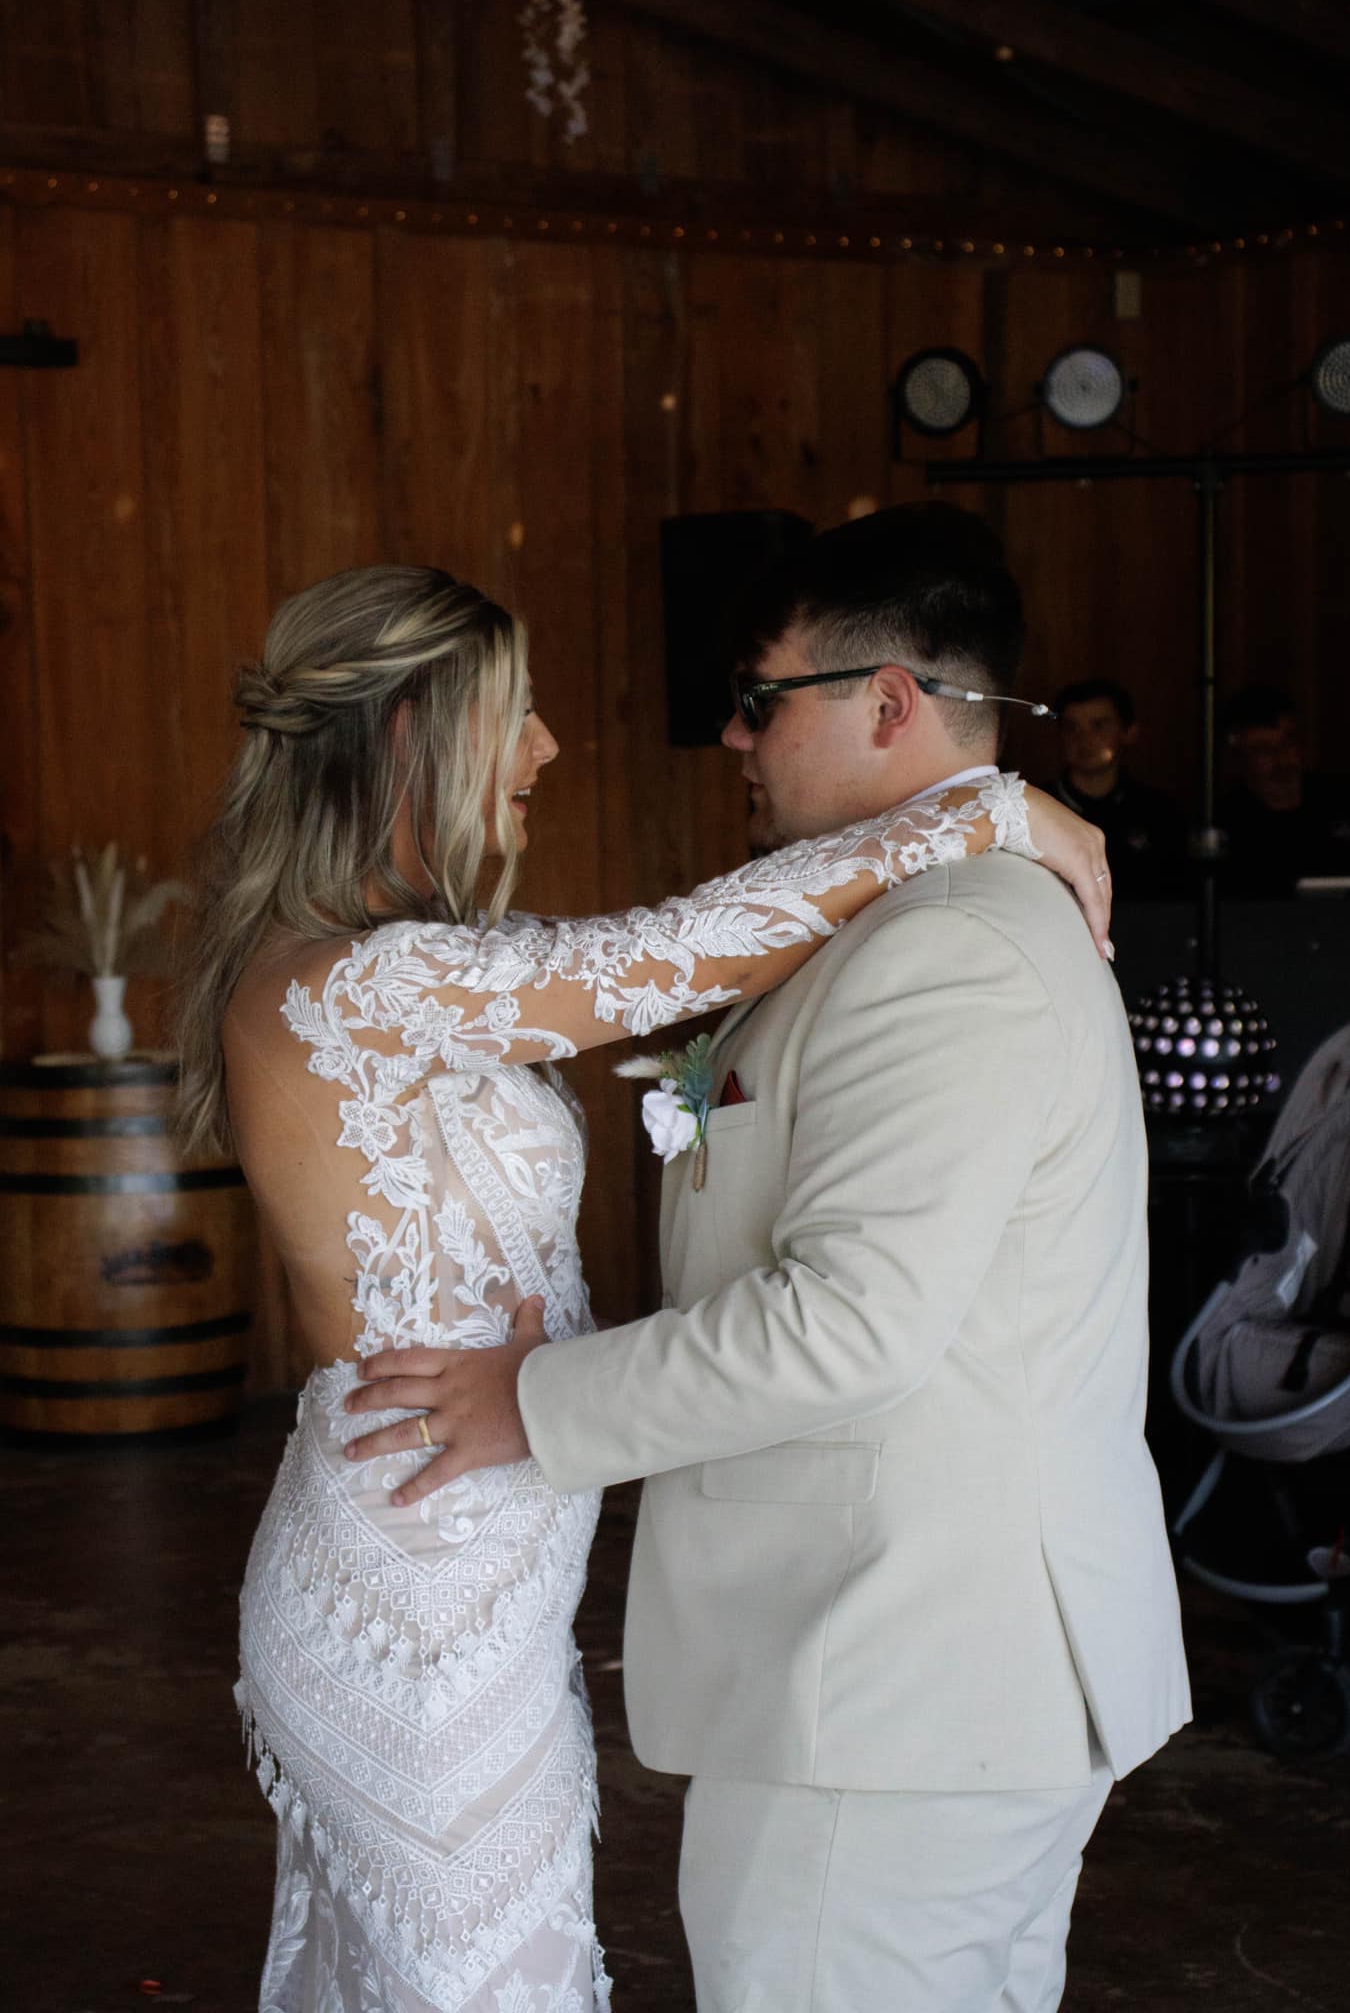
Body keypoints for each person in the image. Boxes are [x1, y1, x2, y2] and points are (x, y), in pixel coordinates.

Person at [174, 557, 1108, 2013]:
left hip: (484, 1557)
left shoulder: (417, 965)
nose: (546, 748)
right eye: (520, 713)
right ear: (416, 733)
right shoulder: (350, 984)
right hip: (417, 1579)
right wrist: (978, 808)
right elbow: (665, 954)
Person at [1220, 682, 1350, 897]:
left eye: (1288, 744)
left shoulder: (1348, 800)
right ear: (1238, 758)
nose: (1282, 761)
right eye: (1264, 750)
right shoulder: (1227, 823)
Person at [1048, 677, 1187, 896]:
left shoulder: (1160, 812)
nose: (1084, 739)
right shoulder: (1040, 809)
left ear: (1128, 732)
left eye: (1099, 726)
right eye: (1071, 727)